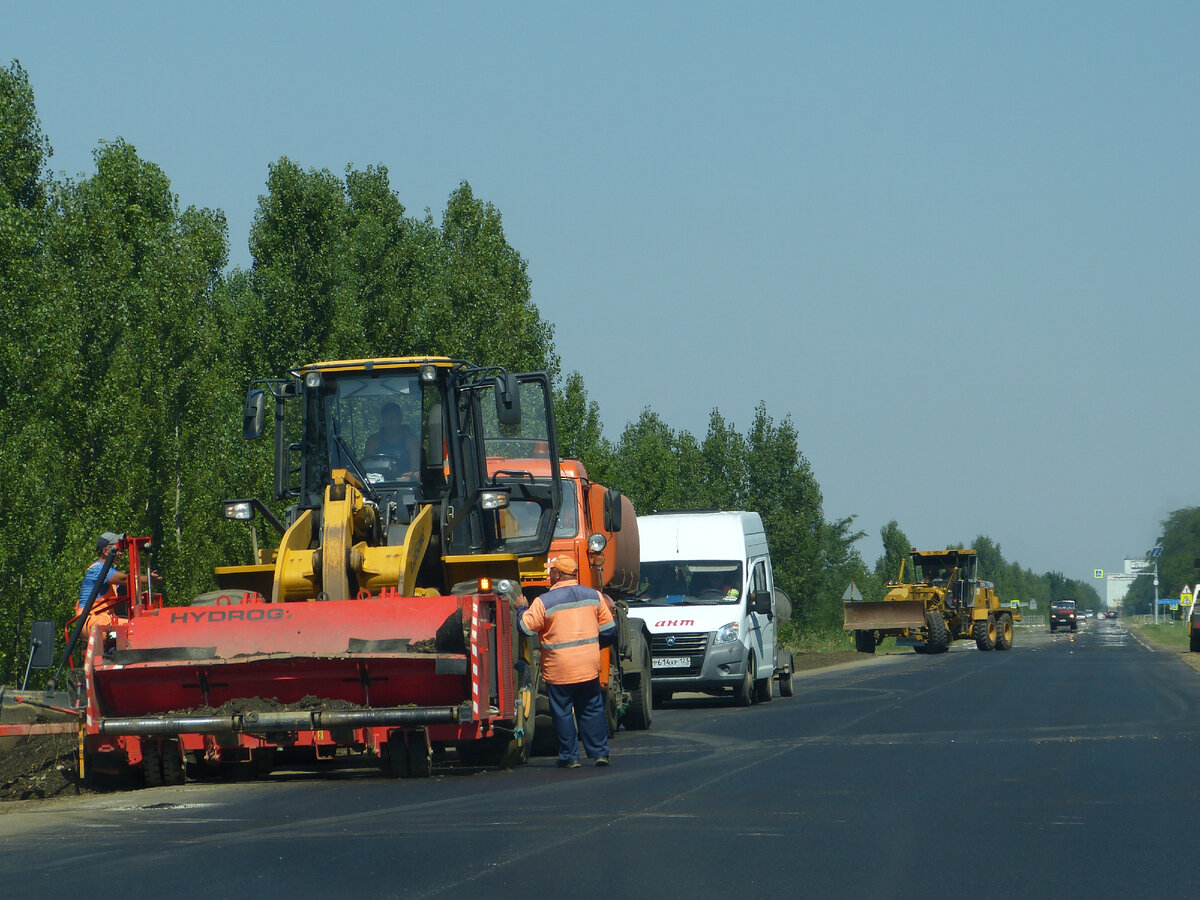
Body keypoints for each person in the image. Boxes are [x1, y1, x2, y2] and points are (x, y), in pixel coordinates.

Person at [517, 555, 616, 768]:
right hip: (588, 666)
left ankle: (570, 758)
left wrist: (520, 609)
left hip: (559, 668)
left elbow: (525, 628)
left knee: (562, 711)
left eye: (551, 571)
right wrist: (593, 648)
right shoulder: (593, 596)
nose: (548, 574)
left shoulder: (543, 601)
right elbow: (609, 630)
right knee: (592, 707)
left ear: (558, 575)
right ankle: (600, 753)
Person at [78, 532, 128, 611]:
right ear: (105, 551)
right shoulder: (97, 569)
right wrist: (148, 579)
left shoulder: (110, 575)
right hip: (93, 617)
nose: (121, 553)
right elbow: (124, 579)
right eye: (117, 549)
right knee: (137, 623)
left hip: (104, 617)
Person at [364, 402, 420, 472]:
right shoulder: (373, 441)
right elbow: (367, 470)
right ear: (382, 420)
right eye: (386, 419)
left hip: (405, 482)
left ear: (400, 419)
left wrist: (407, 478)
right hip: (378, 482)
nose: (389, 422)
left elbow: (416, 472)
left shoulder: (412, 441)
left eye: (392, 418)